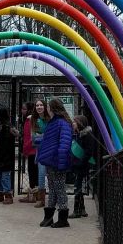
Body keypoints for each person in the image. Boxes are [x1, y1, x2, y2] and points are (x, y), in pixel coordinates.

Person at [37, 98, 74, 229]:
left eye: (48, 106)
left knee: (59, 189)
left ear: (52, 108)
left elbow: (64, 144)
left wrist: (61, 162)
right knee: (52, 188)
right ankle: (49, 217)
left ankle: (63, 218)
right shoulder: (55, 122)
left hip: (56, 161)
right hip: (51, 160)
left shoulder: (61, 123)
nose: (46, 108)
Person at [70, 114, 97, 218]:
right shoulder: (79, 134)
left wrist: (81, 163)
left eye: (75, 122)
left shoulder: (87, 135)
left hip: (81, 166)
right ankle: (82, 209)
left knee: (77, 187)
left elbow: (88, 152)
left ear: (80, 123)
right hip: (78, 165)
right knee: (78, 186)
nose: (73, 124)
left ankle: (77, 210)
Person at [29, 97, 48, 207]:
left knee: (51, 175)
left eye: (41, 105)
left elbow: (51, 135)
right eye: (37, 105)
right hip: (40, 150)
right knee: (41, 174)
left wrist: (41, 136)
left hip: (50, 150)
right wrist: (42, 136)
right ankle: (41, 199)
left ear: (45, 107)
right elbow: (34, 138)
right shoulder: (34, 120)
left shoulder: (49, 119)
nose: (39, 107)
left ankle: (53, 198)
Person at [19, 101, 38, 202]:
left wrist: (25, 150)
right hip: (33, 150)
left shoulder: (29, 120)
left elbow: (29, 137)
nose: (22, 111)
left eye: (24, 109)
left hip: (32, 150)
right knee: (34, 172)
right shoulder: (31, 119)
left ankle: (33, 195)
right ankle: (34, 194)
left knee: (32, 172)